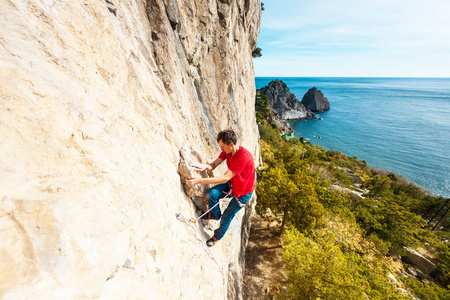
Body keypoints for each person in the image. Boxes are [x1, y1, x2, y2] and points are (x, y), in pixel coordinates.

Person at [186, 129, 255, 247]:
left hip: (243, 193)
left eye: (222, 146)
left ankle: (217, 236)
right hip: (233, 183)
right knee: (211, 194)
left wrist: (199, 180)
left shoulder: (243, 157)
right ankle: (215, 214)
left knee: (227, 216)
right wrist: (203, 166)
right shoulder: (228, 152)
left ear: (231, 144)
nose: (221, 149)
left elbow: (224, 178)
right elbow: (213, 165)